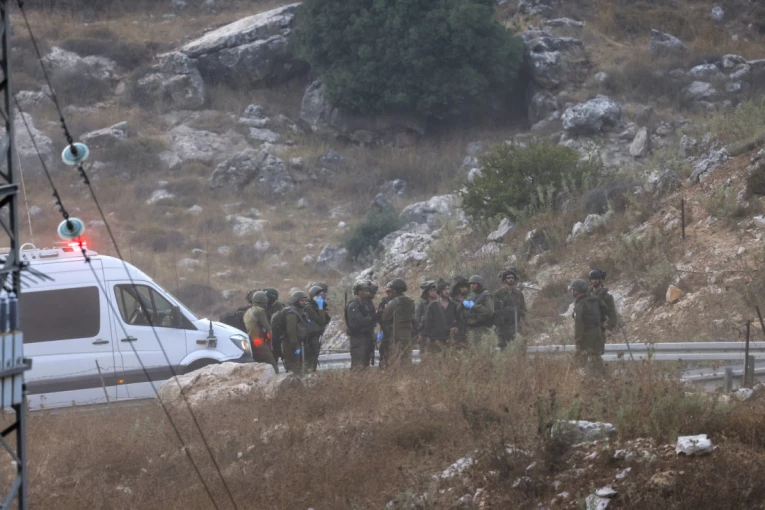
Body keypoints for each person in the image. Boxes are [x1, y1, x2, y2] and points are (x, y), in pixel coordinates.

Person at [570, 279, 608, 373]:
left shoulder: (580, 304)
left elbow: (579, 324)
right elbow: (605, 310)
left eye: (573, 290)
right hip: (598, 332)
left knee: (578, 362)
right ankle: (602, 378)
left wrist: (577, 342)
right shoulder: (594, 299)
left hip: (586, 335)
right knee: (596, 359)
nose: (572, 292)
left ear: (577, 291)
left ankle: (577, 379)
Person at [380, 279, 415, 367]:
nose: (388, 293)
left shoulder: (394, 302)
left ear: (394, 291)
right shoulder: (410, 301)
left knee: (395, 362)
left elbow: (384, 317)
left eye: (390, 291)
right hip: (407, 336)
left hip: (396, 338)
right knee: (406, 361)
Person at [281, 291, 316, 375]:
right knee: (293, 366)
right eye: (302, 300)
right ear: (296, 301)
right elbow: (291, 330)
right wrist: (295, 345)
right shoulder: (292, 313)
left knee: (300, 365)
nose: (304, 302)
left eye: (305, 300)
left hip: (299, 343)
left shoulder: (299, 311)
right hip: (291, 344)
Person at [242, 291, 278, 372]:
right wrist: (271, 343)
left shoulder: (247, 312)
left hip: (251, 342)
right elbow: (267, 327)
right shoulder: (260, 311)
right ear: (263, 301)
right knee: (272, 364)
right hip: (260, 343)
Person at [421, 279, 459, 353]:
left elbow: (459, 320)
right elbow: (428, 323)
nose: (447, 291)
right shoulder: (432, 305)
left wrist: (456, 327)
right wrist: (427, 337)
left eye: (448, 289)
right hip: (435, 340)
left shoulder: (454, 305)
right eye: (444, 289)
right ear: (439, 291)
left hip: (450, 339)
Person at [345, 281, 376, 369]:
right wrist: (372, 318)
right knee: (358, 363)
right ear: (359, 291)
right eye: (365, 290)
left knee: (365, 362)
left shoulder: (365, 304)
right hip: (358, 338)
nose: (368, 293)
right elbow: (359, 321)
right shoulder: (353, 305)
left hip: (365, 337)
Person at [494, 268, 527, 350]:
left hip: (516, 325)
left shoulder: (519, 294)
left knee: (521, 347)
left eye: (512, 277)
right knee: (503, 349)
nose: (511, 279)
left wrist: (526, 324)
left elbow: (523, 310)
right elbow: (495, 311)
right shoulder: (498, 294)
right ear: (505, 279)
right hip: (503, 326)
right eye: (508, 278)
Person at [463, 275, 495, 344]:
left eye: (474, 284)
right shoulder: (471, 294)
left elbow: (489, 311)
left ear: (479, 284)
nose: (472, 286)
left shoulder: (486, 295)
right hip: (469, 327)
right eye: (471, 284)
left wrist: (474, 306)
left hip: (481, 327)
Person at [305, 285, 328, 371]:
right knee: (311, 358)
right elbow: (321, 320)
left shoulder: (315, 306)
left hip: (316, 336)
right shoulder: (309, 307)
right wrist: (321, 308)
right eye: (319, 295)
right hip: (310, 337)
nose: (321, 297)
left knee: (315, 356)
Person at [263, 288, 286, 361]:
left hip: (278, 337)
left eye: (266, 297)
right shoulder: (263, 307)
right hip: (267, 337)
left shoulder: (281, 308)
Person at [414, 280, 437, 350]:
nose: (433, 292)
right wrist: (419, 334)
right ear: (426, 292)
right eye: (431, 290)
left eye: (434, 290)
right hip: (424, 334)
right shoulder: (422, 304)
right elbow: (417, 320)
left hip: (436, 333)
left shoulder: (437, 303)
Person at [451, 275, 470, 346]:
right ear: (457, 288)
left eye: (466, 287)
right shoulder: (452, 301)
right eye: (462, 287)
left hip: (468, 329)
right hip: (457, 329)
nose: (464, 289)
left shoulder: (469, 299)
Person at [365, 282, 379, 366]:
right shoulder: (364, 303)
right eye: (373, 293)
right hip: (365, 333)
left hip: (370, 331)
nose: (374, 295)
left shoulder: (369, 302)